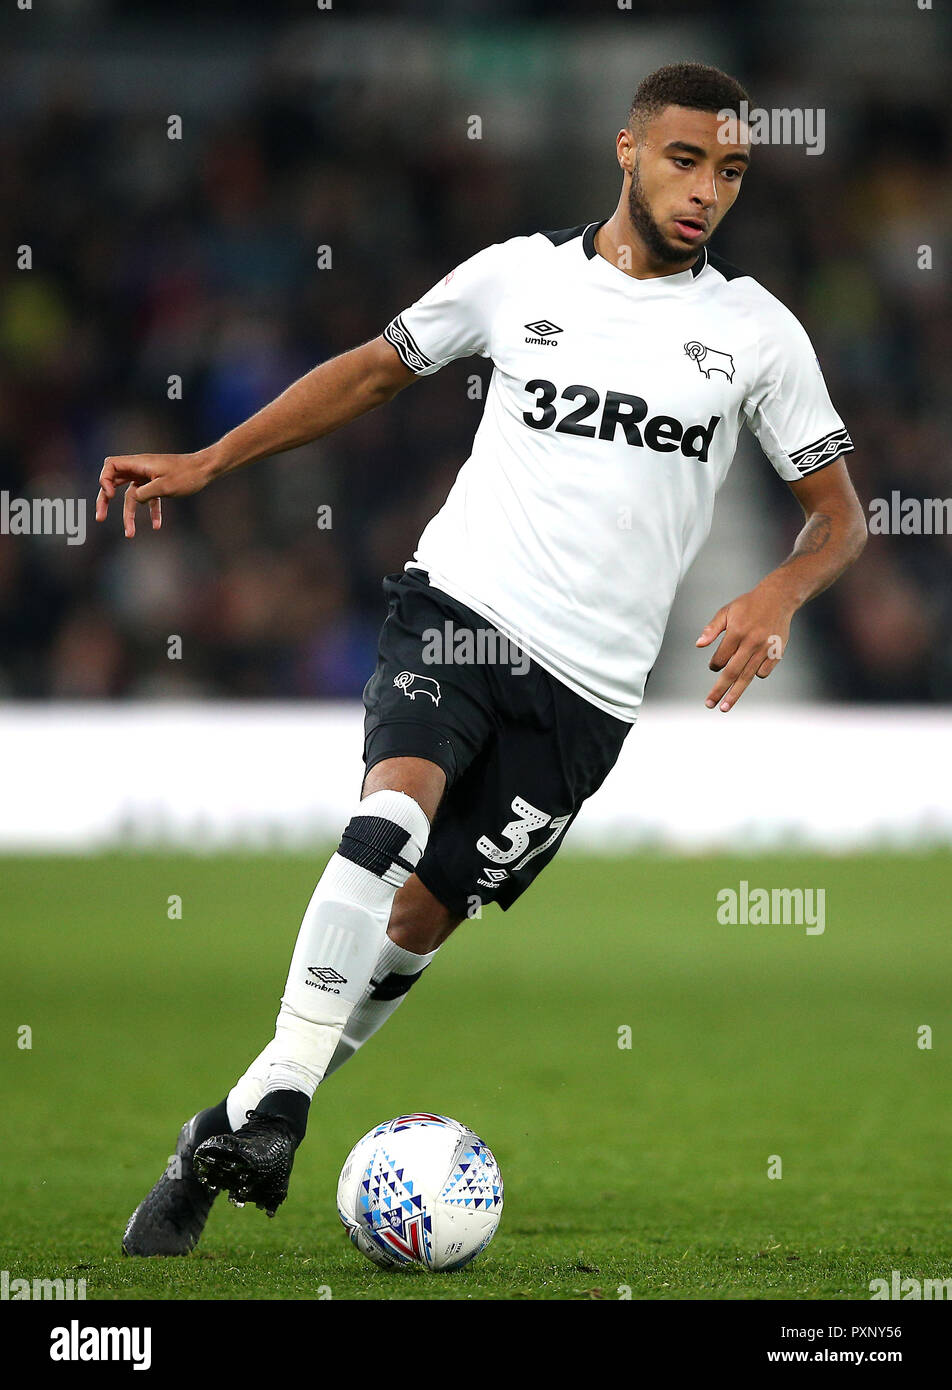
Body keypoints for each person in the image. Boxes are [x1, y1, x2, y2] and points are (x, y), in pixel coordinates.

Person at [101, 61, 867, 1257]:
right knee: (389, 814)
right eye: (684, 159)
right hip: (459, 610)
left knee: (413, 925)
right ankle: (291, 1104)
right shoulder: (515, 277)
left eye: (730, 170)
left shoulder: (755, 332)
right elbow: (367, 369)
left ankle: (231, 1122)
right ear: (626, 149)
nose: (707, 189)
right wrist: (207, 461)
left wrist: (777, 588)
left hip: (589, 696)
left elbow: (838, 514)